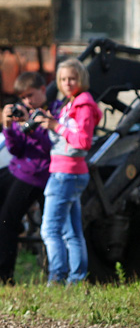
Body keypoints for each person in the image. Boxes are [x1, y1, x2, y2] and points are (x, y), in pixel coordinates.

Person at [0, 72, 59, 283]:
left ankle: (3, 275)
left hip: (36, 175)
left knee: (6, 222)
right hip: (17, 168)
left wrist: (31, 126)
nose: (27, 101)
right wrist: (8, 126)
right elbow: (15, 149)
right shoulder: (26, 112)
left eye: (30, 95)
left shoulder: (53, 112)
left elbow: (50, 146)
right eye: (23, 97)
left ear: (43, 90)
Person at [36, 58, 102, 286]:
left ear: (81, 78)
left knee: (50, 230)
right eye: (63, 79)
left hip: (65, 174)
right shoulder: (72, 103)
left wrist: (56, 126)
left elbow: (83, 141)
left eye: (72, 78)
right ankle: (76, 279)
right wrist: (50, 123)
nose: (67, 83)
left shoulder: (83, 106)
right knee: (71, 232)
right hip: (69, 172)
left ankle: (57, 277)